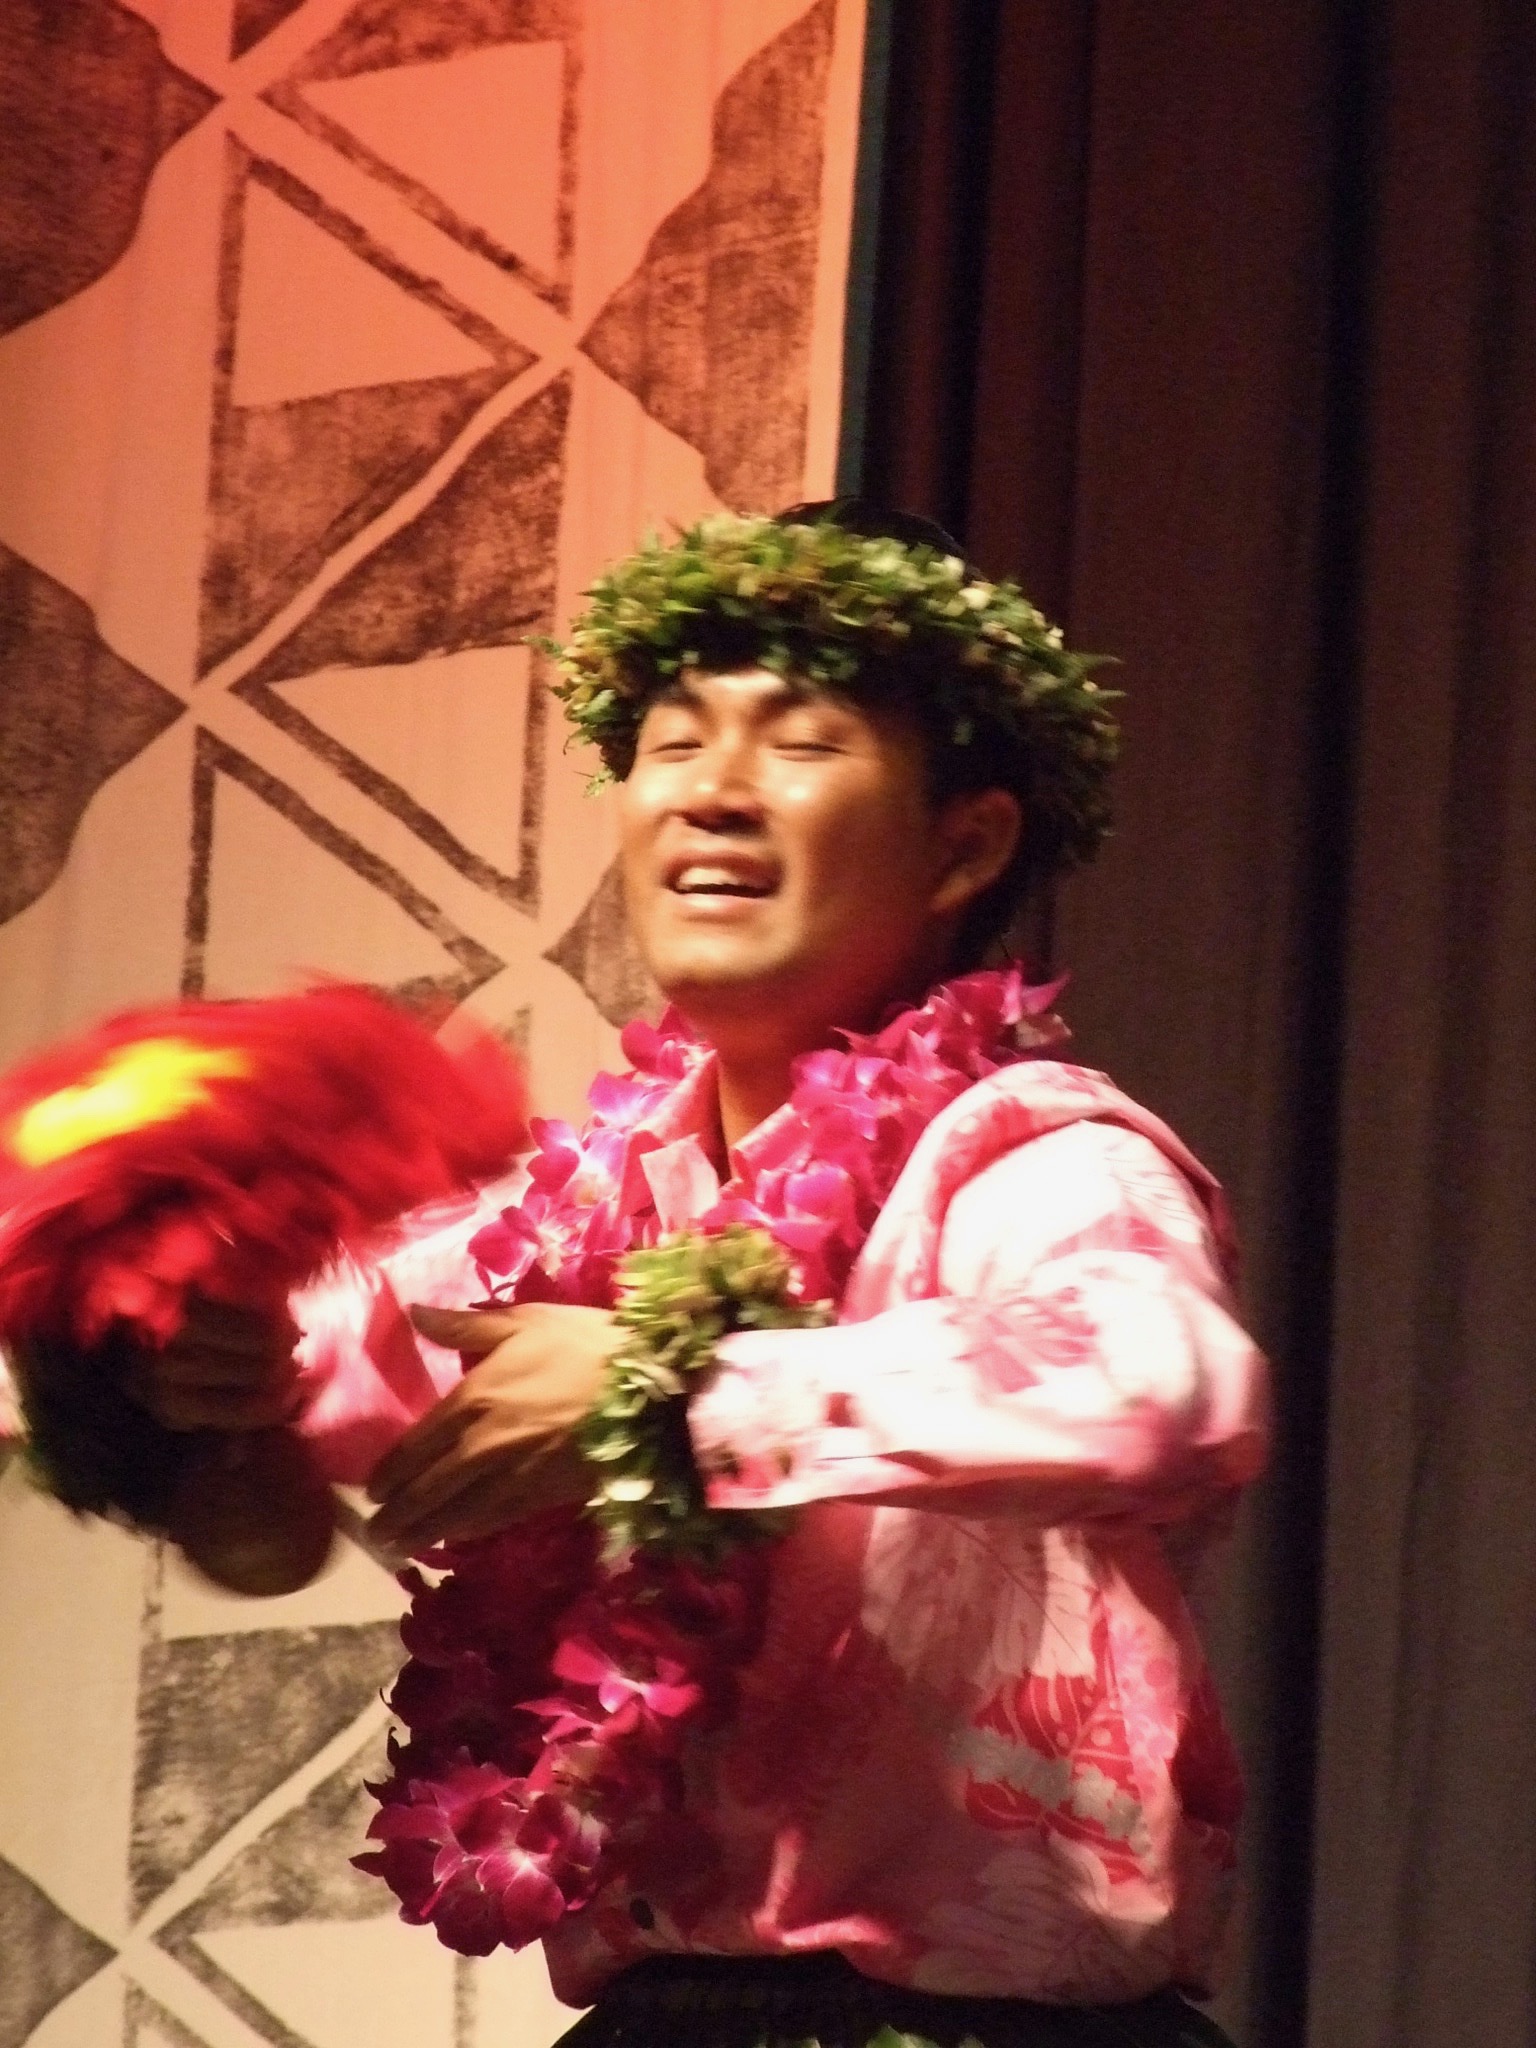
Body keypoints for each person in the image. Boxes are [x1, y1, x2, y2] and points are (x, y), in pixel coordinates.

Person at [140, 505, 1267, 2048]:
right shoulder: (577, 1217)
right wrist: (185, 1354)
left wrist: (668, 1393)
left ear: (966, 844)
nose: (712, 792)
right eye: (673, 741)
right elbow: (288, 1416)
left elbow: (1165, 1387)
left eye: (798, 743)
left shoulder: (1030, 1153)